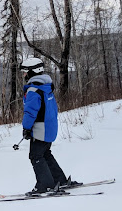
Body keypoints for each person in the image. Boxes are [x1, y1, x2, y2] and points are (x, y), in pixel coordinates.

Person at [20, 57, 80, 195]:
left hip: (41, 129)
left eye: (25, 72)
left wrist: (26, 128)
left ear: (32, 72)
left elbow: (30, 112)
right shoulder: (46, 87)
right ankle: (60, 180)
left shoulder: (33, 90)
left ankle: (45, 185)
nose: (24, 75)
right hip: (50, 128)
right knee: (45, 154)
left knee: (35, 156)